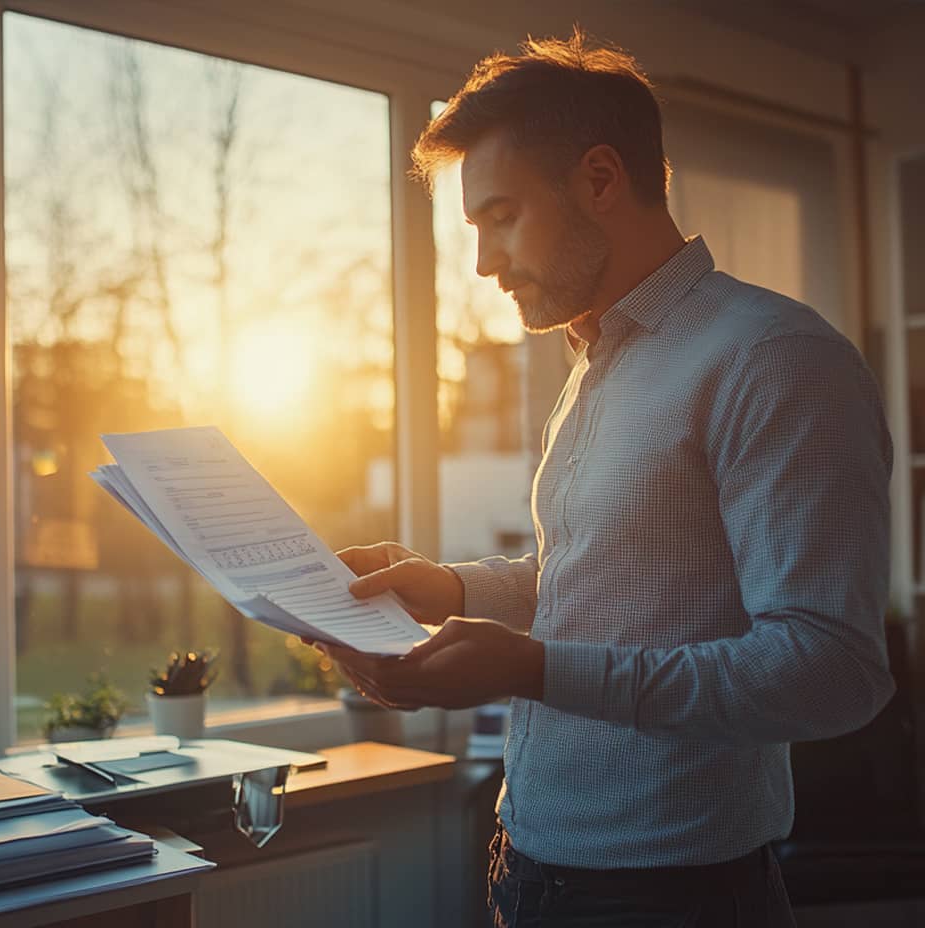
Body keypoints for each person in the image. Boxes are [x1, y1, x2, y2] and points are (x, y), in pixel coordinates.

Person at [320, 29, 894, 928]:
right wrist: (451, 586)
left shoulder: (775, 360)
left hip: (674, 898)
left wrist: (539, 668)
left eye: (500, 217)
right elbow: (609, 583)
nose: (482, 264)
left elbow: (832, 669)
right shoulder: (593, 361)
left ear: (599, 179)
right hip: (529, 868)